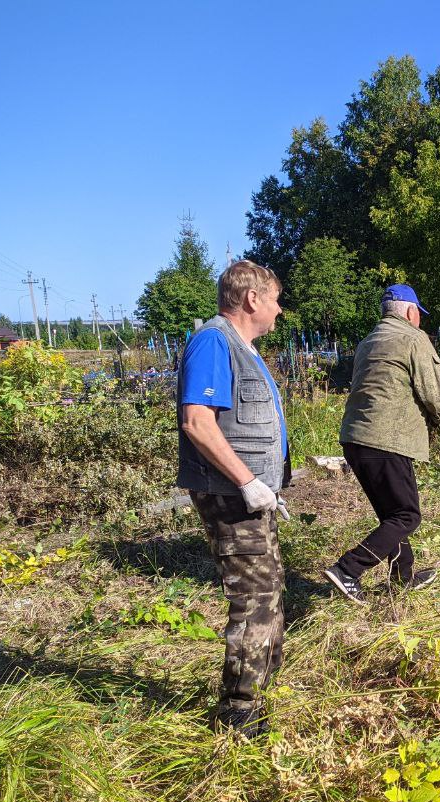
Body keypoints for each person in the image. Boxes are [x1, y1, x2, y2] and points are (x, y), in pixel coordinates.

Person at [177, 260, 290, 739]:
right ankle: (239, 713)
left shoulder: (244, 348)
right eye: (276, 300)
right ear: (252, 299)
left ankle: (263, 687)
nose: (280, 310)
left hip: (252, 496)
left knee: (271, 586)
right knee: (253, 596)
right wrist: (247, 481)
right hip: (231, 494)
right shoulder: (213, 342)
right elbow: (197, 421)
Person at [325, 284, 440, 602]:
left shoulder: (369, 341)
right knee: (407, 516)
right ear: (410, 312)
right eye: (419, 314)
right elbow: (434, 393)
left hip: (355, 439)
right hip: (385, 440)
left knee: (392, 514)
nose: (420, 320)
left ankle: (401, 578)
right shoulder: (413, 338)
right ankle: (348, 569)